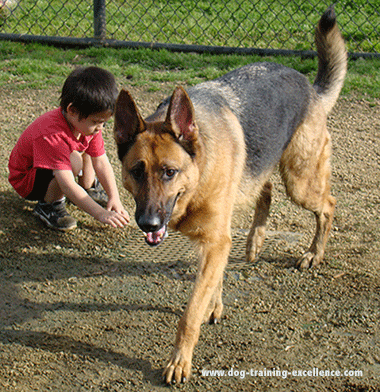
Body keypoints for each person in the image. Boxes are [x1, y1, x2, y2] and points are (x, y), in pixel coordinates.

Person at [8, 66, 130, 231]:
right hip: (27, 181)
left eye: (104, 122)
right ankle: (49, 205)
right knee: (74, 161)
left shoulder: (86, 124)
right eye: (96, 121)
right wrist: (100, 213)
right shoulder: (52, 135)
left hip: (51, 166)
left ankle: (88, 188)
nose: (100, 127)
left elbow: (100, 161)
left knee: (85, 150)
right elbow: (66, 184)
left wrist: (114, 197)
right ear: (72, 110)